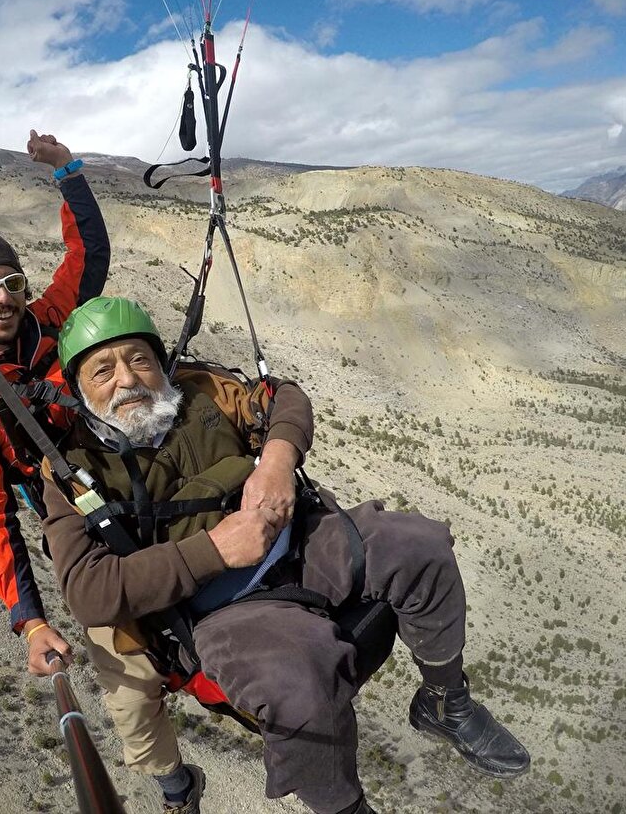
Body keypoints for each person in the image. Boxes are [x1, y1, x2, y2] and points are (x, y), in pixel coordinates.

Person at [39, 296, 531, 814]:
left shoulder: (202, 392)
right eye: (103, 370)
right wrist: (213, 550)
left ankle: (445, 701)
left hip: (300, 541)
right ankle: (344, 806)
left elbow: (284, 398)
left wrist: (276, 459)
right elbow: (90, 592)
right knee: (299, 685)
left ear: (160, 364)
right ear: (78, 390)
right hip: (221, 606)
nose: (127, 379)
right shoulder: (73, 474)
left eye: (139, 360)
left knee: (419, 546)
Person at [0, 130, 110, 674]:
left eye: (10, 282)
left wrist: (65, 170)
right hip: (70, 503)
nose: (3, 298)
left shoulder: (49, 317)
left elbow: (89, 254)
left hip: (123, 452)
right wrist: (30, 619)